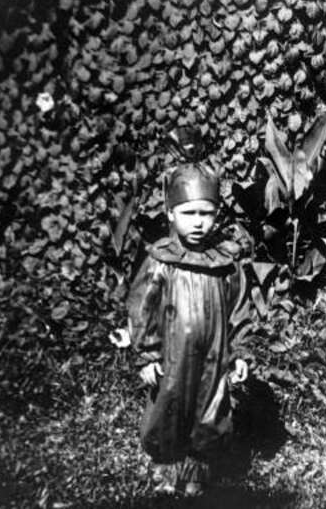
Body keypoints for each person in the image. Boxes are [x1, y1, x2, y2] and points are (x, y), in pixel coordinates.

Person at [121, 163, 255, 495]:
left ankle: (197, 468)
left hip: (214, 354)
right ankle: (167, 467)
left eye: (206, 213)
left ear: (216, 214)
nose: (198, 222)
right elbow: (143, 309)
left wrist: (240, 352)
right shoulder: (160, 260)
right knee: (170, 406)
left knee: (211, 407)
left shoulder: (225, 262)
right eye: (189, 212)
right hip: (174, 355)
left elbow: (240, 308)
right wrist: (147, 355)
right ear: (170, 213)